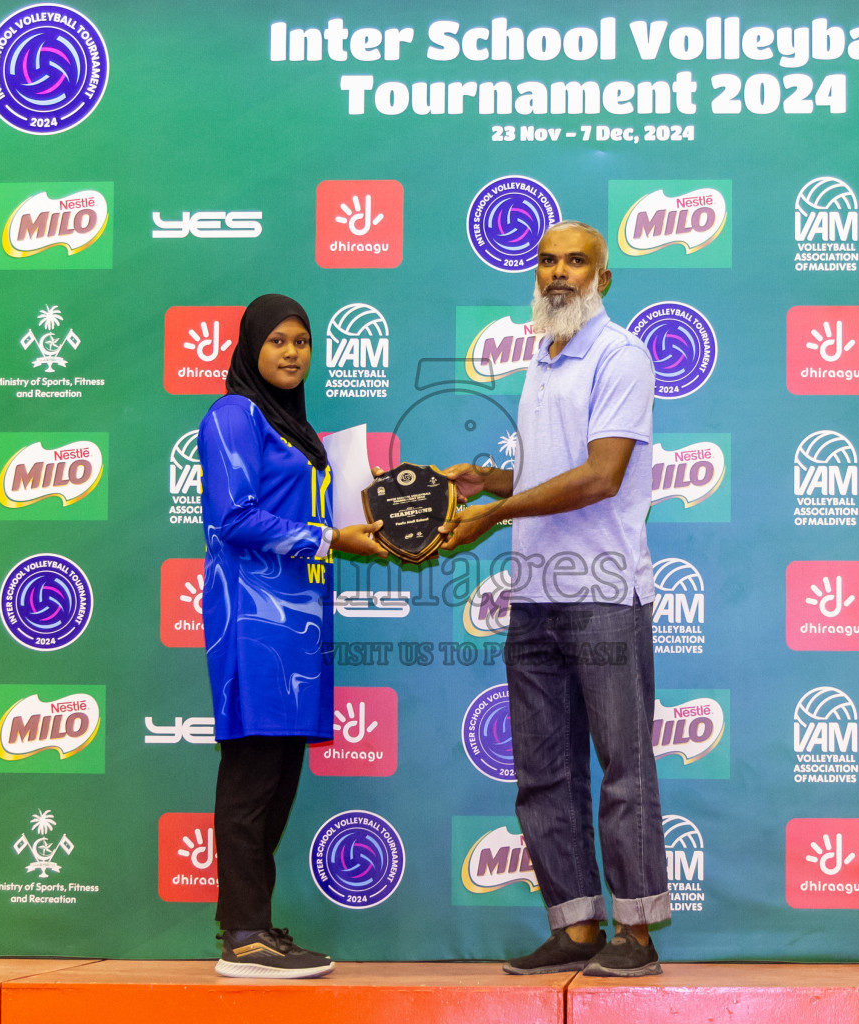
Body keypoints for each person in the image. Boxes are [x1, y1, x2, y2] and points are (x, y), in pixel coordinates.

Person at [438, 222, 668, 977]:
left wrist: (496, 514)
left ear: (604, 278)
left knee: (623, 768)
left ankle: (636, 937)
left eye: (576, 261)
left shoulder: (620, 353)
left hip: (604, 589)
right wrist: (488, 480)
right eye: (547, 261)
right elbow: (554, 465)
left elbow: (601, 475)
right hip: (534, 592)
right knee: (544, 771)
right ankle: (575, 927)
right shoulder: (545, 353)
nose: (558, 273)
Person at [198, 293, 384, 979]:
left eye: (302, 341)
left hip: (299, 620)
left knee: (278, 779)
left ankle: (253, 925)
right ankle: (242, 933)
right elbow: (234, 518)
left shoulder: (295, 427)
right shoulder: (233, 415)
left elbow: (314, 511)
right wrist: (331, 535)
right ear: (250, 348)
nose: (291, 352)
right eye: (276, 340)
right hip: (250, 619)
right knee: (251, 776)